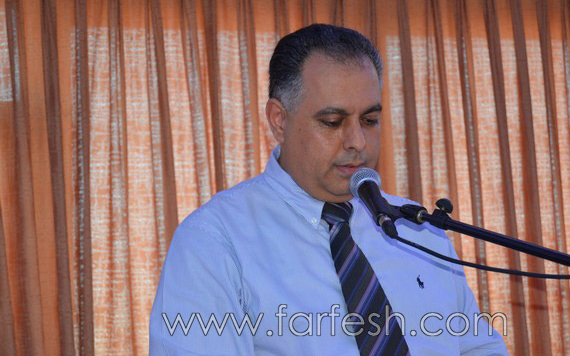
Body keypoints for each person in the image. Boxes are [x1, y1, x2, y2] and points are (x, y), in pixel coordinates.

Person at [149, 24, 508, 355]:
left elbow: (477, 348)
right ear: (279, 120)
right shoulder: (215, 241)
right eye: (333, 122)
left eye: (370, 120)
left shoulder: (419, 230)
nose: (357, 141)